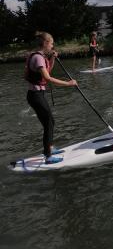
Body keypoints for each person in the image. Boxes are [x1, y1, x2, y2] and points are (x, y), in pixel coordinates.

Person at [24, 32, 77, 164]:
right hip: (35, 95)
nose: (53, 46)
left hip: (37, 95)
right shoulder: (38, 58)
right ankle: (48, 156)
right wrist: (69, 84)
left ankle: (49, 148)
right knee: (49, 122)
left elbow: (48, 72)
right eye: (52, 43)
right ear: (46, 43)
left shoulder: (41, 57)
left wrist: (52, 58)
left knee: (49, 122)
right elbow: (47, 78)